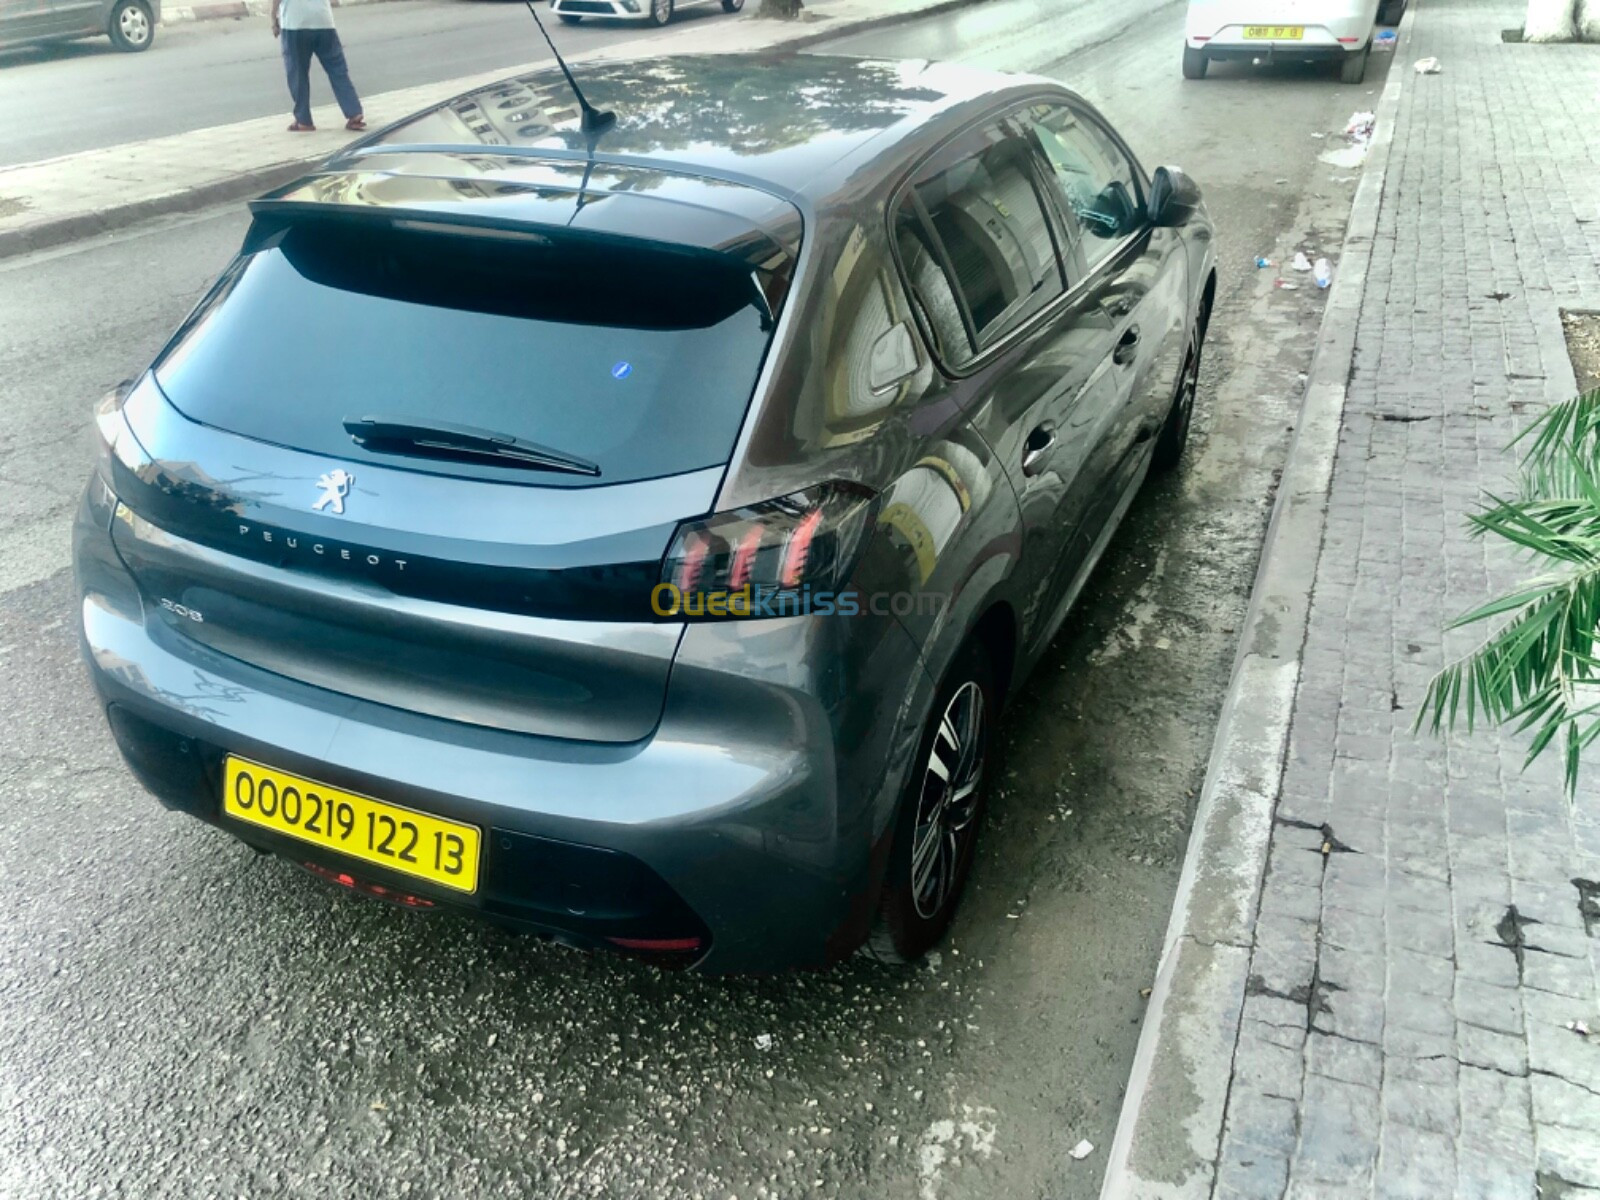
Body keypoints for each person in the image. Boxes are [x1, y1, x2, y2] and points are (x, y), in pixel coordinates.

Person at [270, 0, 365, 134]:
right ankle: (354, 112)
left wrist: (273, 19)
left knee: (297, 73)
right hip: (324, 21)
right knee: (337, 70)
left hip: (295, 23)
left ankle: (303, 120)